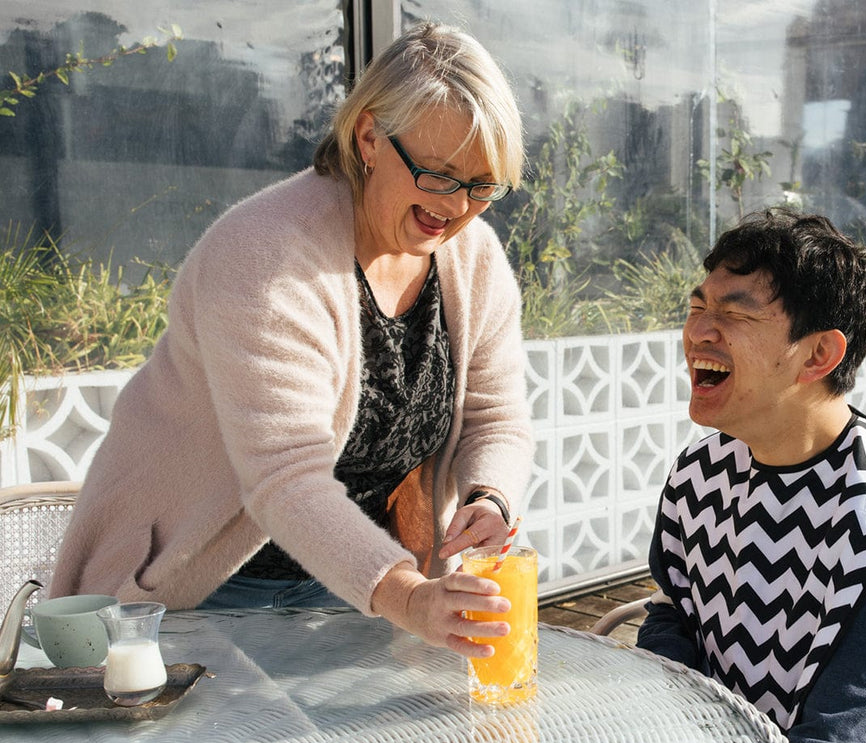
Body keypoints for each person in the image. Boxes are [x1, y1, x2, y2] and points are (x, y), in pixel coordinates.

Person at [50, 22, 533, 659]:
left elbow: (496, 417)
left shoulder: (471, 258)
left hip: (361, 590)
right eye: (440, 176)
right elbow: (287, 479)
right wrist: (408, 596)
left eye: (482, 185)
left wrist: (489, 495)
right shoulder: (263, 256)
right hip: (198, 594)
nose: (459, 207)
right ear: (369, 138)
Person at [636, 208, 866, 743]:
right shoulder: (701, 469)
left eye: (734, 315)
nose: (699, 332)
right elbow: (674, 613)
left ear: (818, 355)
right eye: (697, 307)